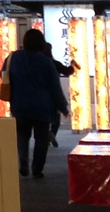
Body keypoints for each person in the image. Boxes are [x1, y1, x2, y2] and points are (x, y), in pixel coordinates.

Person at [8, 28, 69, 179]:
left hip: (20, 104)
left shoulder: (14, 58)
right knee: (41, 139)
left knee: (22, 135)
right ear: (41, 43)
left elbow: (3, 74)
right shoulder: (46, 62)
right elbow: (54, 86)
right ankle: (37, 169)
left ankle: (23, 165)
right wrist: (62, 106)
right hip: (42, 106)